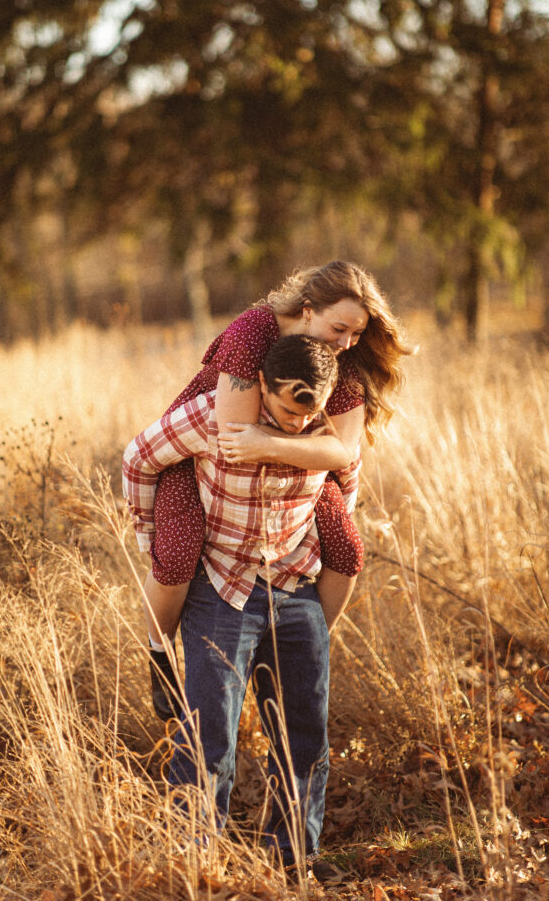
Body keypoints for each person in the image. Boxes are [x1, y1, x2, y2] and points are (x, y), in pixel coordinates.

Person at [122, 335, 359, 877]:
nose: (297, 426)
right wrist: (151, 536)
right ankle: (194, 861)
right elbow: (139, 458)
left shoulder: (324, 430)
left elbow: (348, 482)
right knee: (211, 738)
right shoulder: (215, 417)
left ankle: (295, 858)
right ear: (262, 390)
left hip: (296, 590)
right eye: (284, 411)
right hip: (221, 590)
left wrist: (321, 538)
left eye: (309, 415)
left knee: (304, 736)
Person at [142, 260, 412, 720]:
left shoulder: (336, 365)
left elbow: (343, 453)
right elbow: (233, 438)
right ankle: (158, 651)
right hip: (197, 456)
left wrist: (320, 501)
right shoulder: (255, 332)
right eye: (339, 328)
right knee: (179, 551)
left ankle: (295, 653)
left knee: (345, 548)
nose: (347, 343)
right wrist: (144, 528)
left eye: (356, 334)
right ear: (307, 312)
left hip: (292, 470)